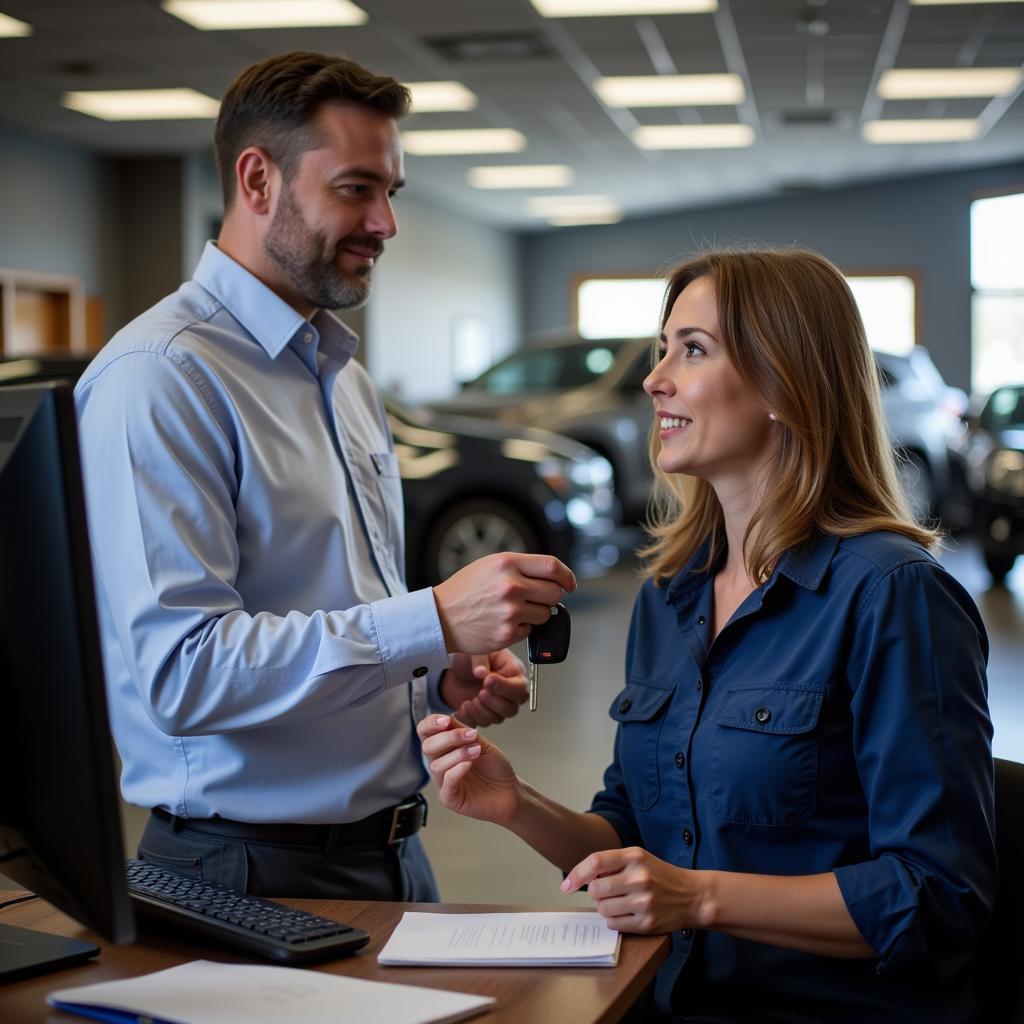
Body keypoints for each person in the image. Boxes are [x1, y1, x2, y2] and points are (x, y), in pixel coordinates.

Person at [419, 247, 996, 1022]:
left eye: (691, 350)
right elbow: (628, 835)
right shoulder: (670, 596)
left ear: (784, 385)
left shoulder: (893, 596)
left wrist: (699, 899)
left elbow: (937, 898)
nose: (656, 379)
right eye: (663, 351)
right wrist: (513, 801)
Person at [74, 50, 575, 904]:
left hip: (391, 854)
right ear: (258, 179)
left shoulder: (341, 375)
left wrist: (440, 674)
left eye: (392, 193)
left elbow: (334, 609)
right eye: (355, 188)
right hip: (243, 870)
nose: (385, 223)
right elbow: (183, 673)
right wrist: (433, 617)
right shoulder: (160, 378)